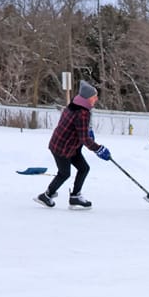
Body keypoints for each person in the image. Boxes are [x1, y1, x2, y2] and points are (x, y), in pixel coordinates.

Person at [34, 80, 111, 210]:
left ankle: (75, 196)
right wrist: (99, 149)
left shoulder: (74, 105)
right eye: (94, 97)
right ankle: (46, 195)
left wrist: (88, 131)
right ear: (87, 98)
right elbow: (84, 138)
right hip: (62, 147)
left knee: (84, 168)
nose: (96, 99)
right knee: (64, 173)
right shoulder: (82, 113)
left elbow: (79, 130)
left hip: (71, 146)